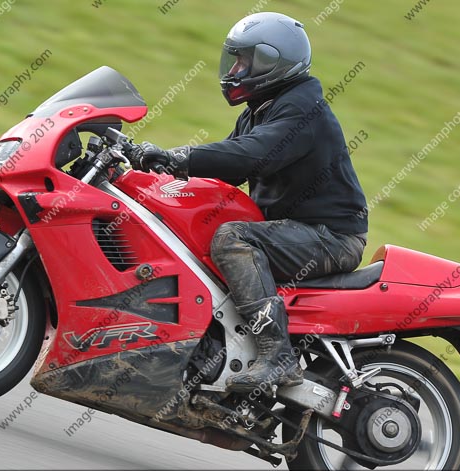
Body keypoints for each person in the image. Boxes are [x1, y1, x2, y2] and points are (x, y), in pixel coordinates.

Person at [129, 12, 368, 393]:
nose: (235, 69)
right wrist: (145, 174)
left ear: (275, 62)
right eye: (234, 59)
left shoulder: (302, 109)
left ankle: (278, 355)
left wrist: (181, 155)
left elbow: (250, 155)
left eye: (245, 61)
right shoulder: (261, 109)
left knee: (232, 239)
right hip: (293, 231)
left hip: (330, 237)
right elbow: (225, 170)